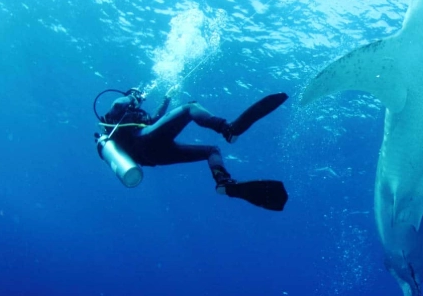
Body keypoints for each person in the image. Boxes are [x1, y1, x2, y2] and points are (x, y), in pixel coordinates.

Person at [93, 87, 289, 211]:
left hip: (152, 156)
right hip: (145, 142)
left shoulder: (127, 121)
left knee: (211, 150)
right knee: (189, 107)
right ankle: (227, 129)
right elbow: (119, 103)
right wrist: (133, 96)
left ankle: (224, 182)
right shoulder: (116, 113)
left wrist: (166, 99)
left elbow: (154, 120)